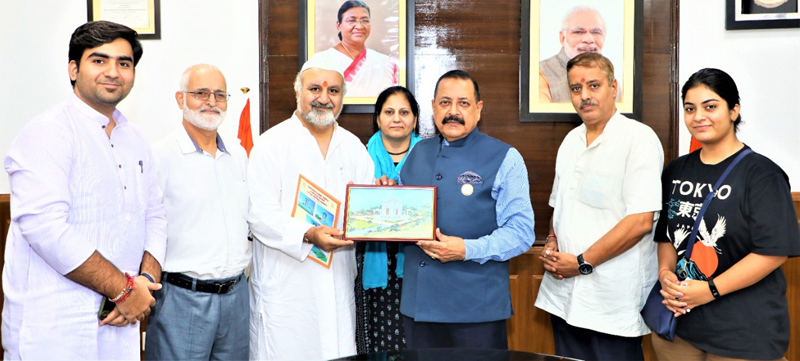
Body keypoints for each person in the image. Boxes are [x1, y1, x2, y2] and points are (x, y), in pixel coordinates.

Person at [2, 21, 166, 360]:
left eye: (124, 63)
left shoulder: (135, 140)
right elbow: (44, 227)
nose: (113, 71)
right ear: (74, 69)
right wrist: (123, 290)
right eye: (99, 60)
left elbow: (155, 216)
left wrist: (143, 284)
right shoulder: (47, 133)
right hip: (54, 328)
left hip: (120, 324)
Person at [651, 68, 800, 361]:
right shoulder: (676, 170)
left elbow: (773, 252)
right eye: (690, 108)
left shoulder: (762, 174)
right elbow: (666, 236)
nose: (698, 117)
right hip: (679, 328)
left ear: (734, 110)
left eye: (711, 106)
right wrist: (665, 273)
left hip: (744, 332)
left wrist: (710, 290)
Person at [534, 53, 663, 361]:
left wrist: (581, 262)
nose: (585, 96)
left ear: (613, 87)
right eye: (576, 89)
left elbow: (641, 222)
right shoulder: (571, 140)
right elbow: (559, 204)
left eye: (594, 85)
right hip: (564, 295)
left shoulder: (638, 139)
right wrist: (552, 241)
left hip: (611, 302)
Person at [395, 70, 535, 350]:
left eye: (463, 103)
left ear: (478, 109)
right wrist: (386, 194)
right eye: (445, 103)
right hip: (419, 306)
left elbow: (521, 233)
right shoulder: (416, 152)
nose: (453, 112)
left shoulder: (506, 158)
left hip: (476, 309)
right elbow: (403, 219)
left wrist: (467, 249)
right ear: (433, 107)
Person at [247, 58, 375, 360]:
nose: (324, 97)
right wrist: (308, 233)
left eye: (333, 90)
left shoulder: (354, 146)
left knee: (338, 350)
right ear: (298, 93)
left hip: (338, 280)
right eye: (314, 88)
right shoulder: (272, 144)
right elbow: (259, 214)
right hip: (288, 284)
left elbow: (364, 212)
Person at [144, 64, 251, 360]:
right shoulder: (160, 156)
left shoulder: (238, 155)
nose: (211, 102)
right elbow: (145, 226)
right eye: (201, 93)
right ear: (180, 99)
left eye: (220, 95)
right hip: (182, 298)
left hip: (236, 298)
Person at [355, 86, 422, 353]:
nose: (397, 118)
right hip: (372, 256)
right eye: (389, 111)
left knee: (414, 336)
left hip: (417, 257)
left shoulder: (431, 155)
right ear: (378, 118)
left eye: (404, 112)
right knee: (375, 337)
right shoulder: (359, 156)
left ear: (415, 120)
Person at [308, 0, 399, 98]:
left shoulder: (385, 63)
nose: (359, 26)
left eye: (365, 20)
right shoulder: (321, 60)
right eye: (352, 20)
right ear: (339, 25)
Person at [539, 6, 618, 103]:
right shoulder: (541, 73)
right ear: (562, 38)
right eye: (578, 32)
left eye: (596, 32)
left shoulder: (611, 78)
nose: (588, 39)